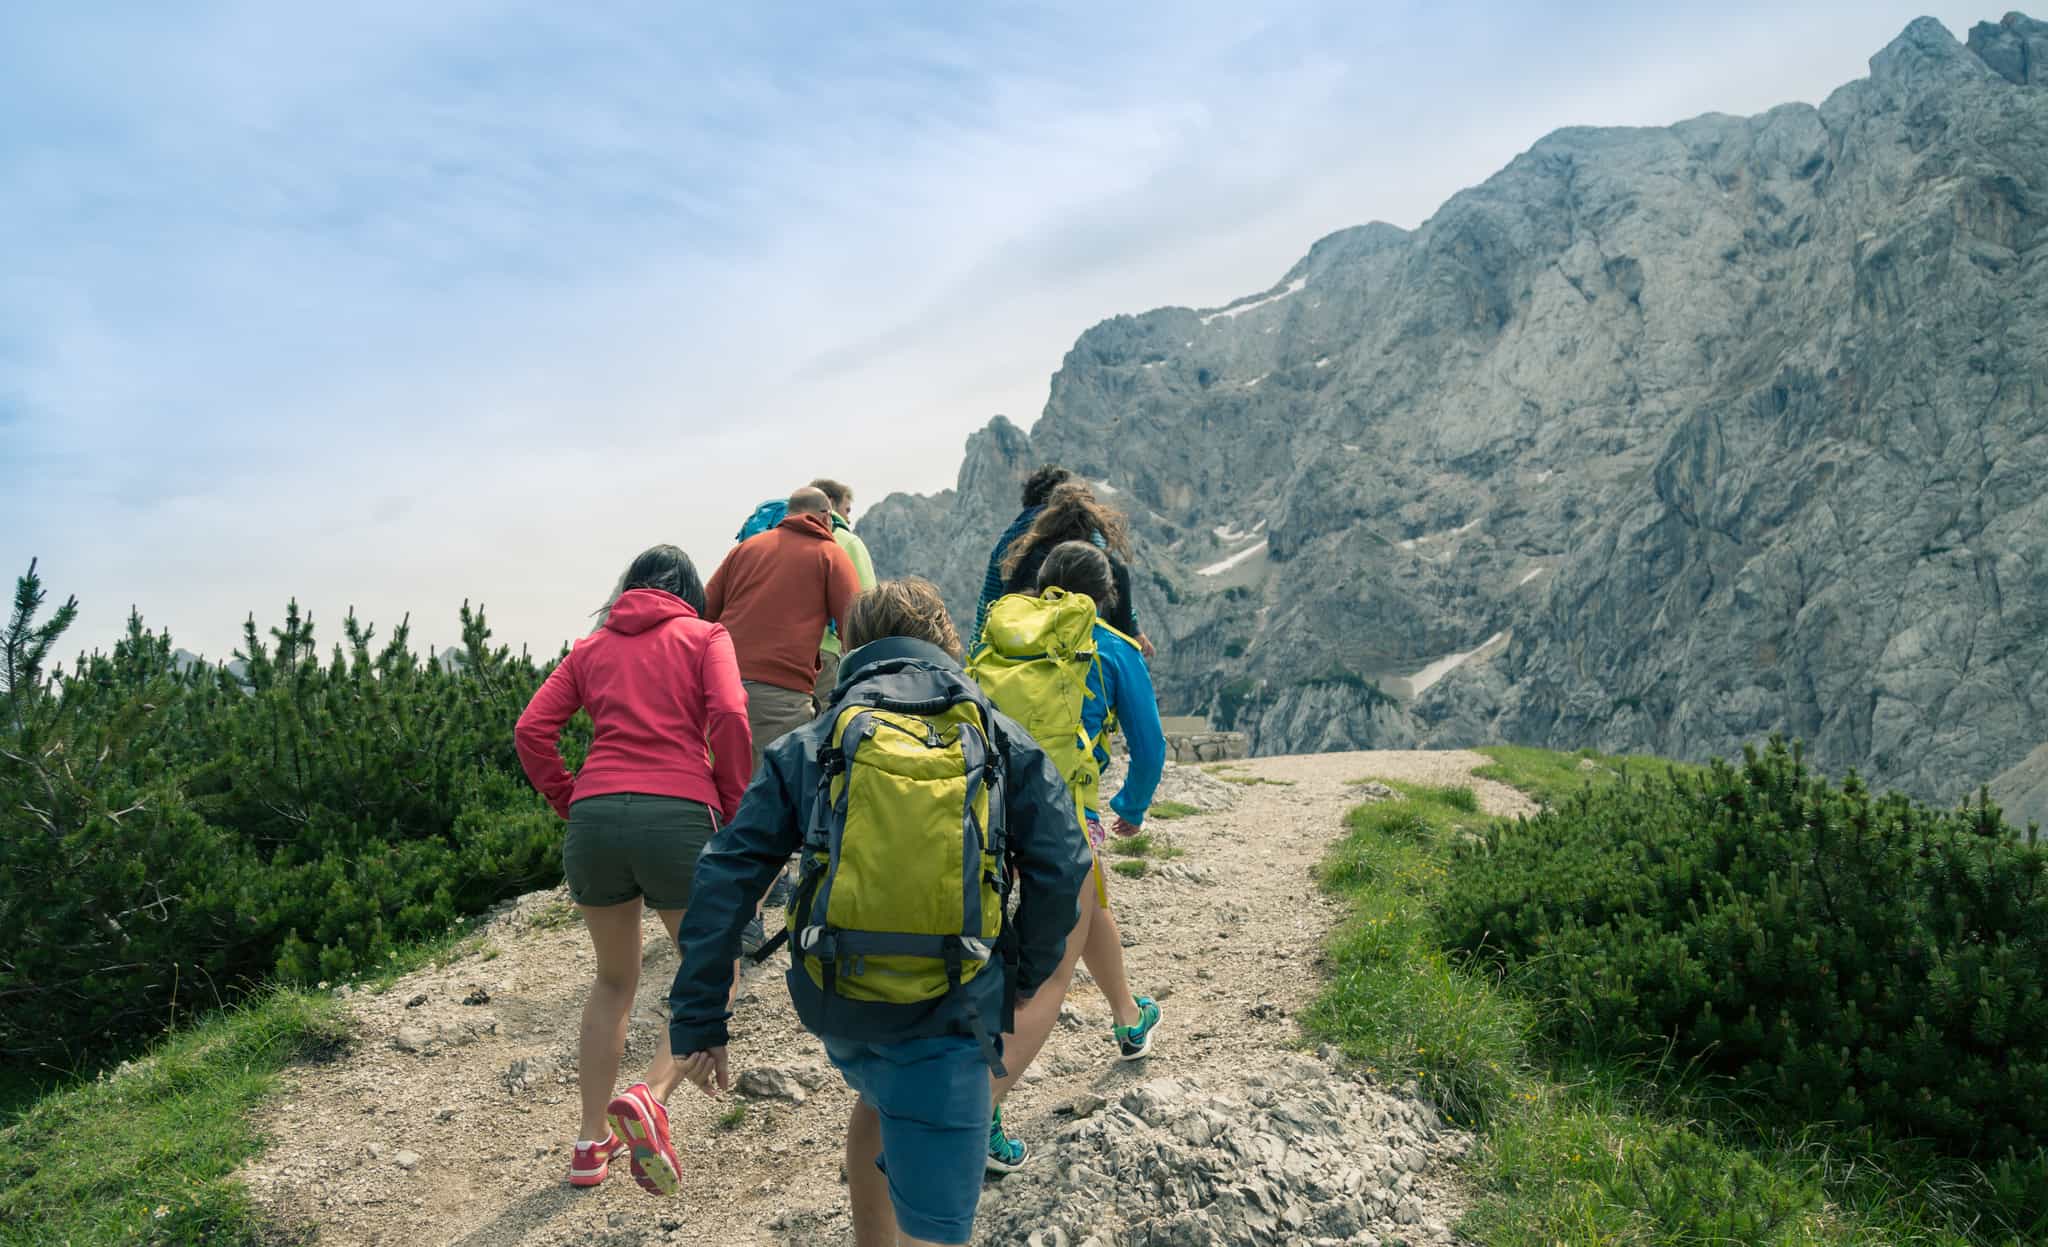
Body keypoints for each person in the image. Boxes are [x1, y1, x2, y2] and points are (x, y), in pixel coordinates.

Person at [648, 579, 1092, 1246]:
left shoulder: (816, 739)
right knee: (936, 1233)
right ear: (947, 646)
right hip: (953, 1014)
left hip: (840, 1004)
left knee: (880, 1096)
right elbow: (1063, 864)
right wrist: (1015, 977)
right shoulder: (996, 735)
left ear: (853, 647)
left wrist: (701, 1015)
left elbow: (726, 870)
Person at [513, 545, 751, 1191]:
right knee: (714, 970)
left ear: (630, 587)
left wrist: (570, 796)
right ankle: (651, 1094)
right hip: (677, 816)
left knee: (613, 981)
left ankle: (590, 1144)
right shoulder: (706, 635)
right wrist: (733, 810)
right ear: (690, 591)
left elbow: (532, 729)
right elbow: (730, 713)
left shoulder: (591, 648)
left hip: (595, 821)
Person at [973, 540, 1166, 1170]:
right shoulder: (1111, 646)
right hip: (1062, 818)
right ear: (1104, 594)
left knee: (1088, 909)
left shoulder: (1003, 631)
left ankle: (1128, 1016)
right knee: (1052, 973)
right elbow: (1151, 746)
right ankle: (980, 1112)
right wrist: (1131, 809)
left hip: (992, 811)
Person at [704, 486, 861, 767]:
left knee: (727, 782)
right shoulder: (830, 554)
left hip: (721, 686)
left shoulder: (746, 549)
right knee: (777, 790)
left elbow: (704, 613)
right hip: (781, 695)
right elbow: (855, 628)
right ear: (827, 517)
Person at [998, 482, 1152, 655]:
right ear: (1094, 516)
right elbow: (1122, 640)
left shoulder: (1030, 556)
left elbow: (1006, 606)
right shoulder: (1112, 568)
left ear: (1048, 514)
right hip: (1089, 668)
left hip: (1028, 662)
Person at [973, 464, 1072, 644]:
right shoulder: (1084, 527)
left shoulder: (1009, 539)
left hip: (1019, 640)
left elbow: (987, 606)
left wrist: (976, 650)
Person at [808, 477, 878, 706]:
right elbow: (868, 604)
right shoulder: (846, 542)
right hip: (829, 652)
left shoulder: (782, 540)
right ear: (829, 503)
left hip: (785, 653)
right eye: (846, 510)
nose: (849, 517)